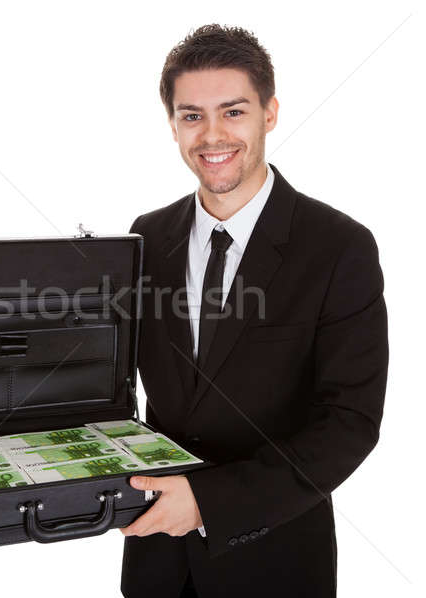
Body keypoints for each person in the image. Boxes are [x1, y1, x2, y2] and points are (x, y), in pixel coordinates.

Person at [119, 24, 388, 598]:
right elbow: (122, 383)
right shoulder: (146, 237)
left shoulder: (339, 247)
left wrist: (209, 502)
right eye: (192, 115)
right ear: (172, 125)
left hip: (275, 564)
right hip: (156, 564)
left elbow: (350, 423)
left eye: (233, 111)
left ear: (269, 112)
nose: (212, 135)